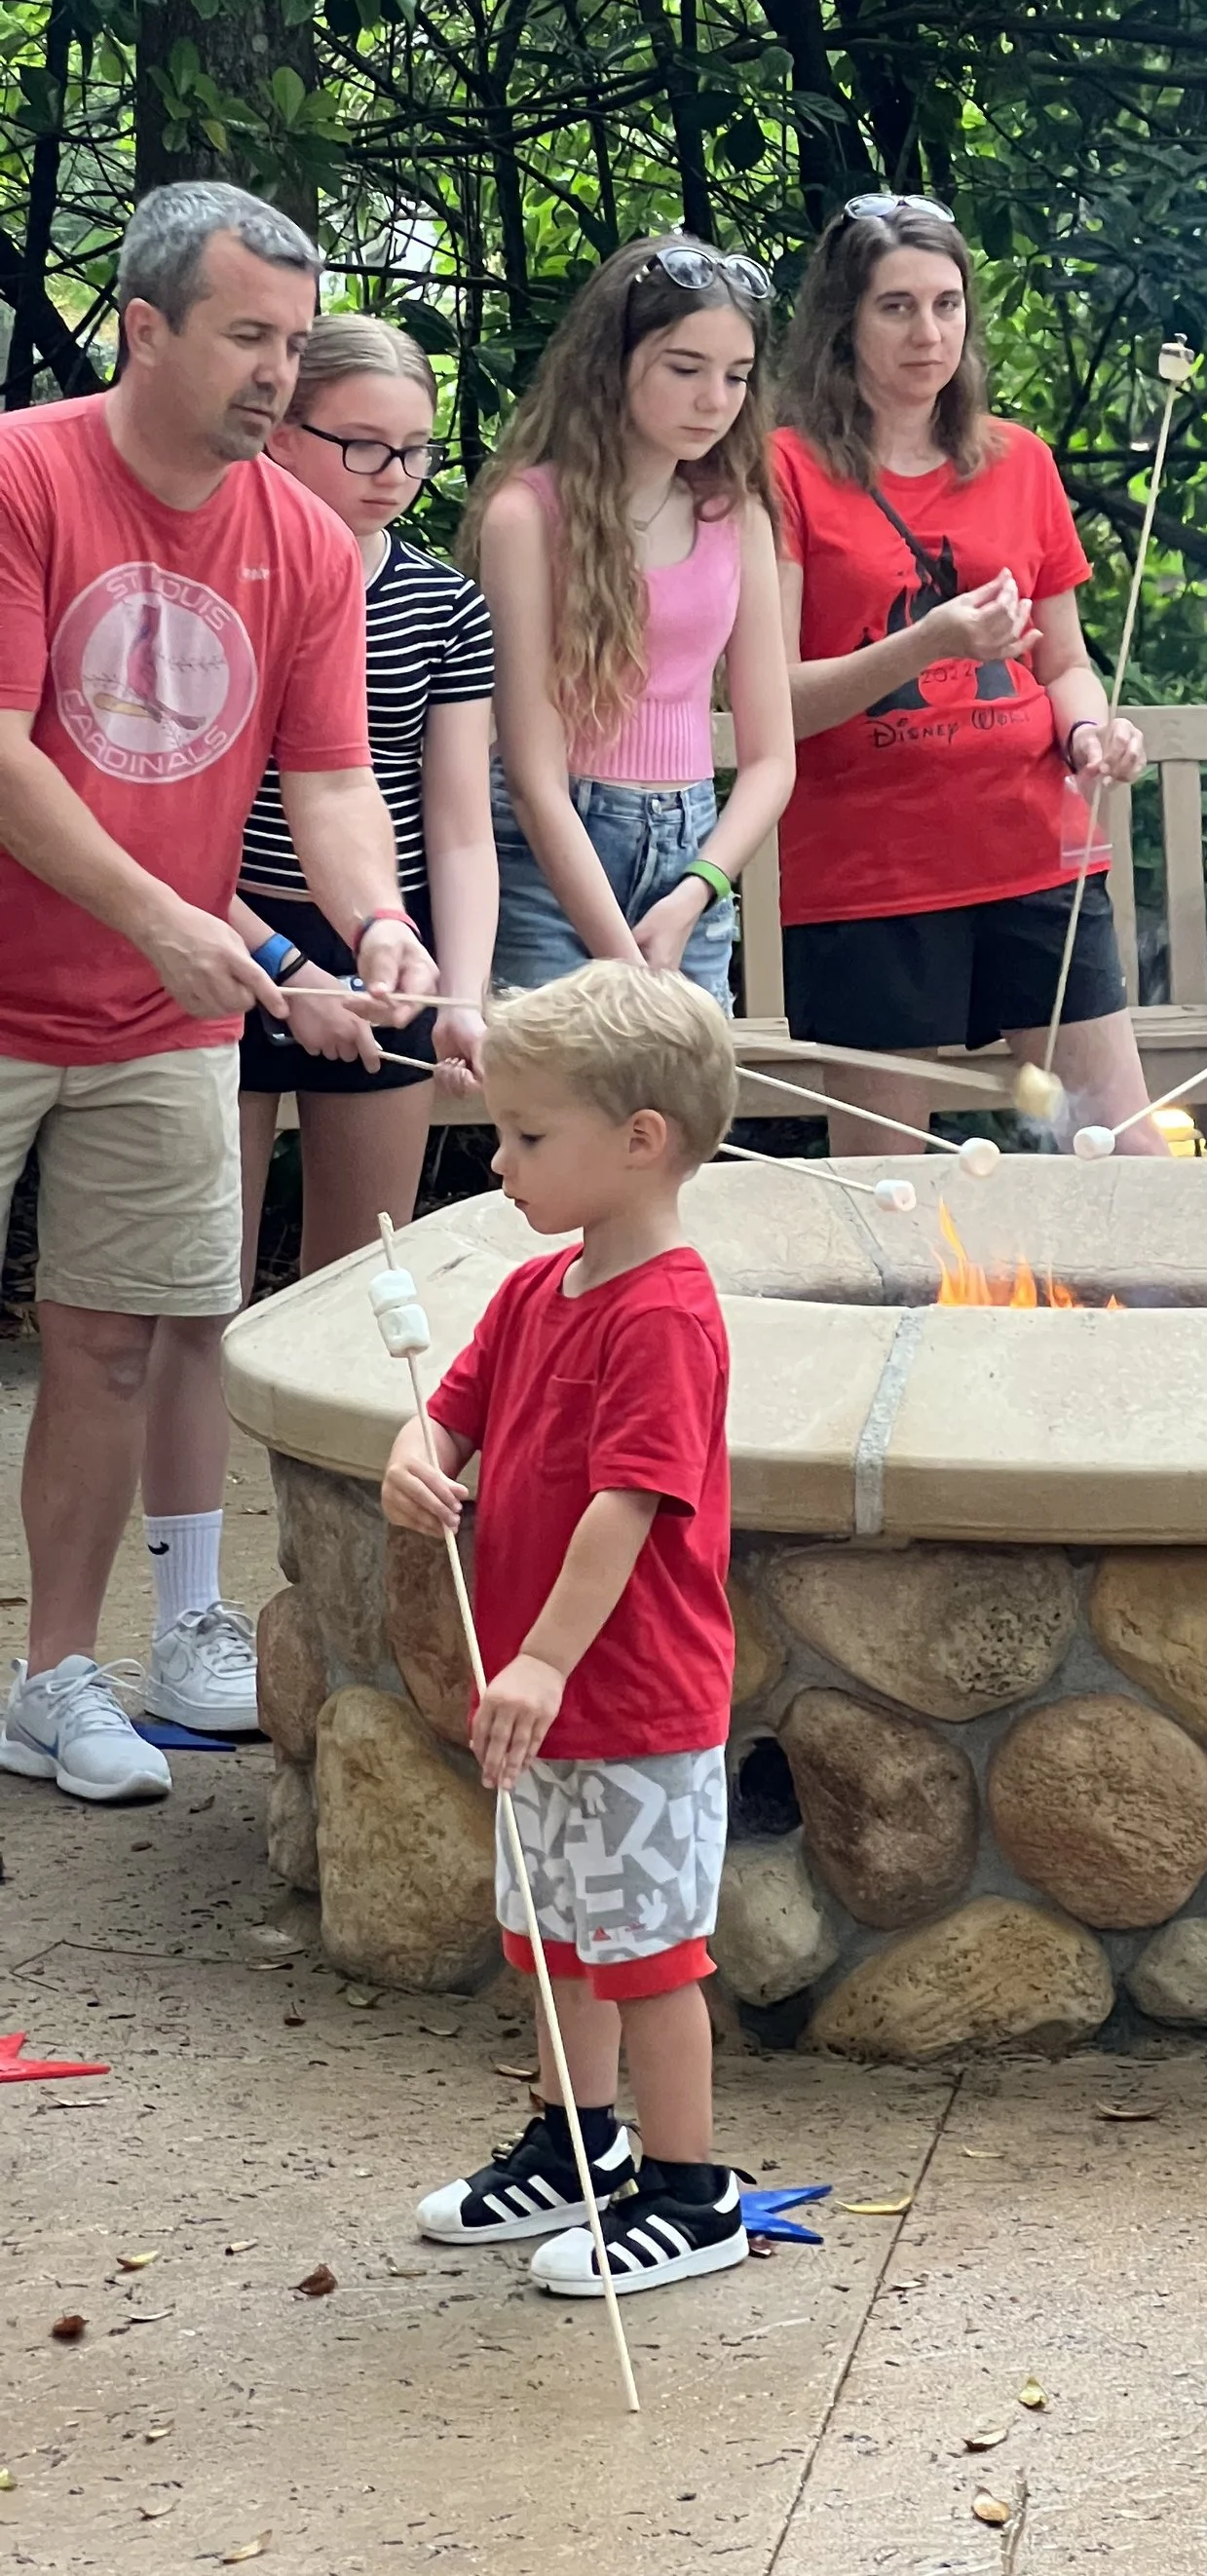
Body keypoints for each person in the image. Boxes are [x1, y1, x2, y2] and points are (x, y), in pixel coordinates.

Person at [0, 183, 435, 1802]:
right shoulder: (23, 472)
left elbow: (328, 780)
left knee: (113, 1344)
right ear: (146, 325)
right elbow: (7, 756)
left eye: (295, 340)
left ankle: (55, 1676)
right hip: (45, 974)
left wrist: (376, 921)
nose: (278, 372)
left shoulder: (307, 540)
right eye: (248, 334)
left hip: (160, 1013)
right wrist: (188, 927)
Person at [382, 963, 747, 2294]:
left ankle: (692, 2191)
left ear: (640, 1139)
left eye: (531, 1136)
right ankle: (576, 2146)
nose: (501, 1159)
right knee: (554, 1932)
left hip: (633, 1693)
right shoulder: (542, 1292)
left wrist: (543, 1654)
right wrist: (412, 1453)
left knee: (646, 1950)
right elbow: (453, 1404)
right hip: (540, 1698)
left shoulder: (666, 1311)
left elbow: (630, 1506)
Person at [766, 196, 1160, 1154]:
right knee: (890, 1191)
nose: (927, 332)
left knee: (1124, 1150)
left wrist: (1089, 732)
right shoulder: (784, 468)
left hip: (1033, 849)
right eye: (895, 307)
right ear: (842, 323)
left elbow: (1065, 661)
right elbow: (768, 697)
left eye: (946, 305)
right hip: (871, 874)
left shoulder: (1019, 460)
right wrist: (925, 645)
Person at [459, 236, 795, 1008]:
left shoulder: (736, 513)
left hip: (692, 858)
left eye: (737, 375)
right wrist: (626, 965)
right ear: (612, 360)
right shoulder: (527, 513)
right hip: (550, 854)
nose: (715, 398)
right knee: (574, 1110)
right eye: (685, 368)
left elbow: (772, 758)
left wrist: (695, 895)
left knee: (675, 1121)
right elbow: (536, 778)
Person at [230, 314, 496, 1283]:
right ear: (280, 433)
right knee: (205, 1275)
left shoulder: (443, 605)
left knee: (359, 1281)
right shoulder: (225, 582)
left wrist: (461, 992)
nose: (393, 473)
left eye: (414, 450)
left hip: (386, 945)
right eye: (363, 446)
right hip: (227, 932)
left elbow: (461, 825)